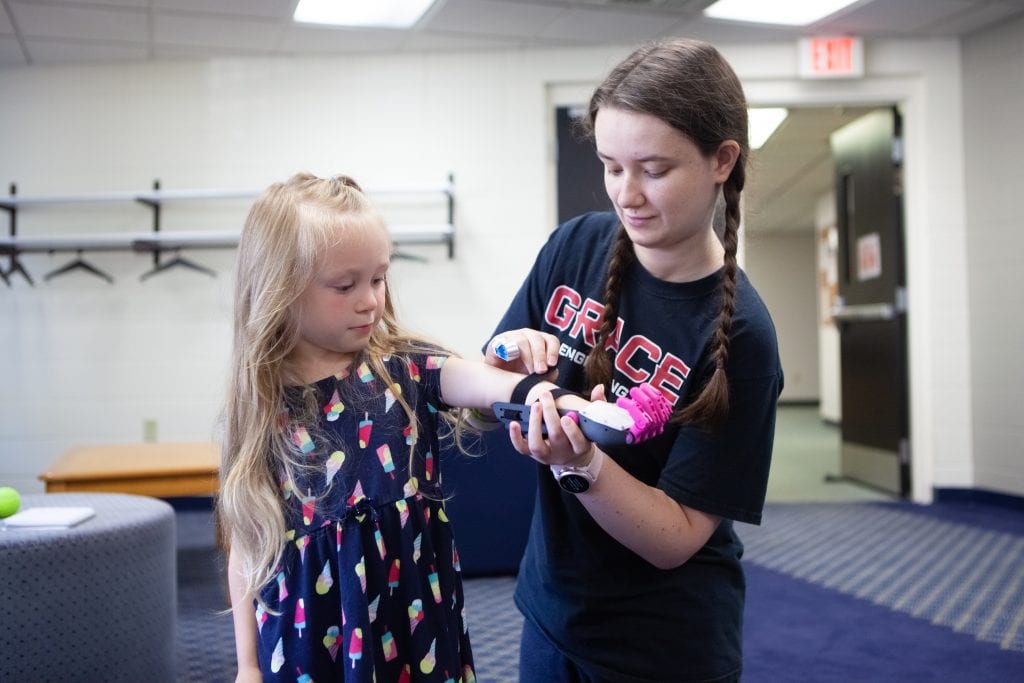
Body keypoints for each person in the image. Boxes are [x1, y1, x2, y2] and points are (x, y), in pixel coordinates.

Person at [217, 172, 665, 683]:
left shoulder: (403, 367)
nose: (370, 300)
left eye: (379, 278)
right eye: (345, 285)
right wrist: (248, 664)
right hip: (310, 637)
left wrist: (563, 402)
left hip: (412, 624)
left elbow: (491, 385)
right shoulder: (263, 405)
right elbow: (248, 542)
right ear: (280, 288)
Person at [482, 39, 784, 683]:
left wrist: (581, 462)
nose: (628, 193)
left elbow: (674, 538)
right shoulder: (575, 245)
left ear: (721, 161)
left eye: (653, 168)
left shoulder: (743, 336)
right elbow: (492, 381)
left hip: (661, 648)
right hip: (551, 614)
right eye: (611, 166)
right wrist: (505, 358)